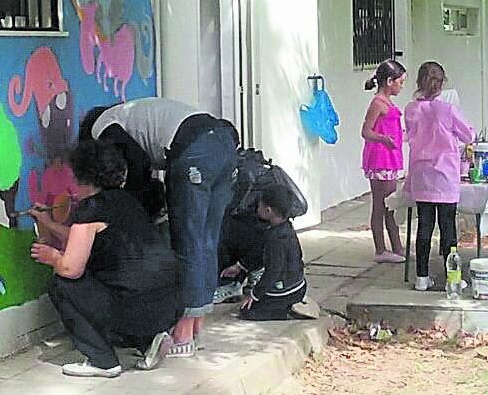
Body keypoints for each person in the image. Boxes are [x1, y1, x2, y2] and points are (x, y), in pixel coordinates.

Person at [81, 98, 238, 357]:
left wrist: (131, 213)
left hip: (194, 150)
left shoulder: (101, 125)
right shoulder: (132, 115)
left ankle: (183, 331)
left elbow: (138, 163)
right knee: (206, 240)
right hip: (221, 144)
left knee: (187, 242)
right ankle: (197, 324)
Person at [29, 139, 181, 378]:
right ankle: (150, 341)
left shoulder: (90, 208)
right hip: (170, 304)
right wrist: (48, 223)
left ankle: (102, 360)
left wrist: (54, 257)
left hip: (136, 307)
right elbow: (85, 238)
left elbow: (71, 269)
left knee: (62, 284)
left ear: (80, 175)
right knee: (123, 286)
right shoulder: (126, 201)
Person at [403, 61, 474, 292]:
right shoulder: (448, 109)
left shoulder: (411, 109)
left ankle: (421, 277)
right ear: (442, 84)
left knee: (424, 226)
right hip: (445, 175)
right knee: (447, 228)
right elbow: (469, 134)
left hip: (421, 173)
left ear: (418, 83)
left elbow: (411, 136)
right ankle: (452, 277)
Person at [238, 181, 309, 321]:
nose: (257, 208)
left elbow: (273, 271)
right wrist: (241, 266)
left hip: (286, 291)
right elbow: (260, 255)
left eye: (259, 205)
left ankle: (285, 312)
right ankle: (289, 305)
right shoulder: (286, 227)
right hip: (299, 286)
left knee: (247, 311)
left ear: (268, 211)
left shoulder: (275, 238)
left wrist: (255, 295)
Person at [360, 59, 408, 264]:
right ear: (390, 81)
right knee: (381, 205)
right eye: (400, 81)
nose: (401, 85)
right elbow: (366, 132)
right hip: (380, 160)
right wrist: (383, 139)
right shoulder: (378, 104)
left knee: (390, 205)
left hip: (390, 159)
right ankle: (381, 249)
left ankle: (397, 247)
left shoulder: (388, 103)